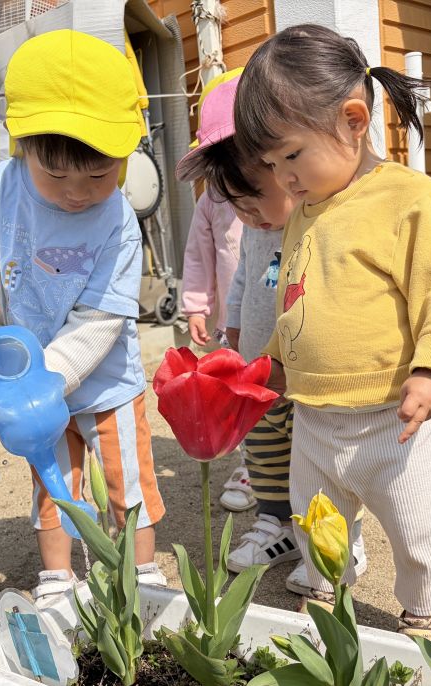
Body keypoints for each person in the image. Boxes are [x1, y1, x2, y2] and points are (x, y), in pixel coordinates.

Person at [234, 25, 431, 644]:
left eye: (290, 155)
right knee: (316, 515)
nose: (282, 177)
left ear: (352, 119)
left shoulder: (410, 199)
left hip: (391, 419)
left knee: (415, 524)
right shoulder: (306, 212)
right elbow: (295, 303)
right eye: (270, 164)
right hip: (314, 419)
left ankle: (425, 611)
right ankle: (324, 589)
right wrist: (271, 366)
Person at [0, 30, 166, 606]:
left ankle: (141, 573)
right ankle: (59, 578)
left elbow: (100, 319)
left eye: (98, 174)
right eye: (56, 175)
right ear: (21, 145)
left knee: (126, 483)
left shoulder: (118, 220)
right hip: (31, 382)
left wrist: (47, 380)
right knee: (51, 482)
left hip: (104, 380)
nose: (77, 193)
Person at [176, 72, 368, 592]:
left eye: (254, 197)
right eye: (234, 205)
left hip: (306, 372)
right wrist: (232, 327)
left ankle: (336, 540)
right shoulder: (260, 226)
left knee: (318, 461)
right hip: (260, 369)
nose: (247, 215)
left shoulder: (316, 220)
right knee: (264, 453)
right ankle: (274, 521)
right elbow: (239, 278)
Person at [180, 69, 253, 513]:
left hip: (286, 315)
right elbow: (197, 255)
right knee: (241, 396)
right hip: (232, 321)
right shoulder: (211, 199)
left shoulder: (289, 187)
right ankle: (251, 467)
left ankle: (295, 465)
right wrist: (196, 307)